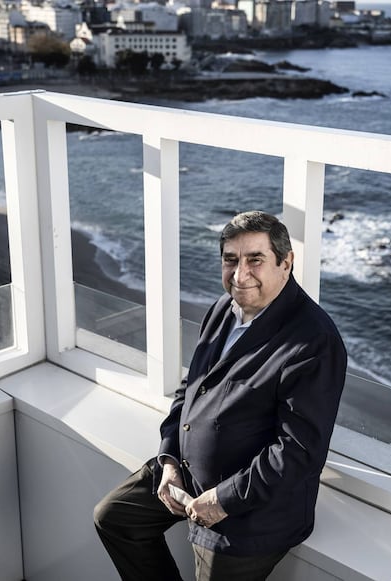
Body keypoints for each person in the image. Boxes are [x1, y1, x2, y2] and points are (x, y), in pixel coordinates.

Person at [94, 210, 347, 581]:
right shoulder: (222, 310)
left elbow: (298, 452)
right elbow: (190, 388)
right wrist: (168, 460)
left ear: (286, 262)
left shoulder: (314, 341)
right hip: (184, 476)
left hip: (248, 511)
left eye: (255, 260)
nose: (240, 275)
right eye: (231, 260)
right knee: (114, 518)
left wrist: (222, 499)